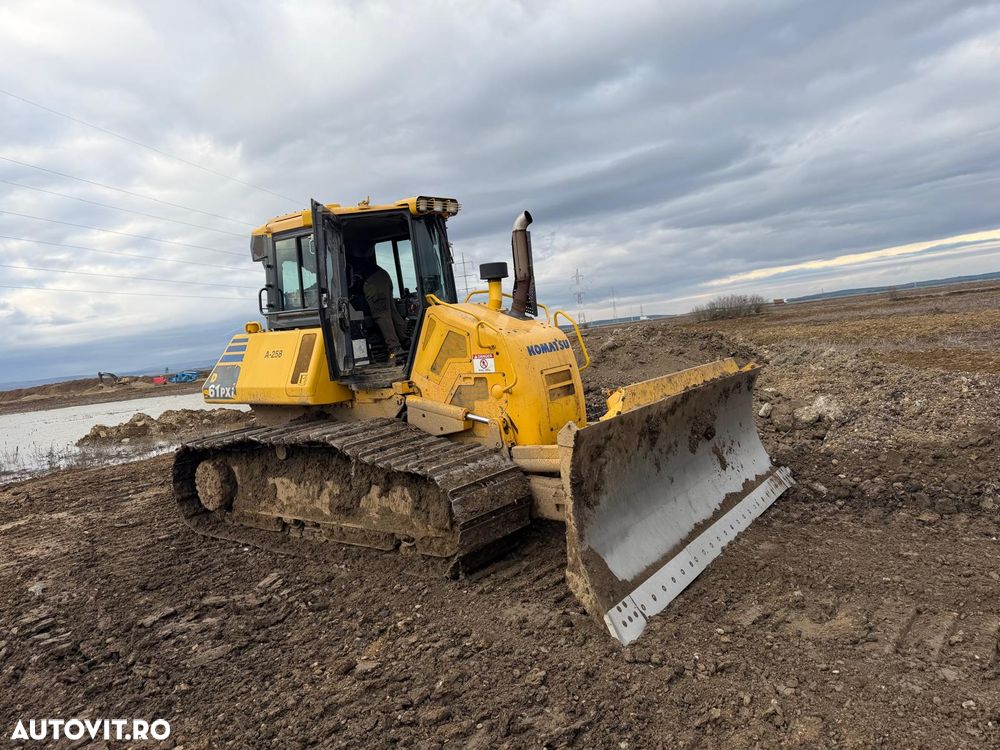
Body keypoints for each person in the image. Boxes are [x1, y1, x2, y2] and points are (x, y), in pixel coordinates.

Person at [352, 242, 409, 362]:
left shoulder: (341, 264)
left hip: (372, 281)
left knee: (381, 315)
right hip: (382, 276)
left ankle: (395, 348)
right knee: (392, 313)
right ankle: (407, 341)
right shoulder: (356, 262)